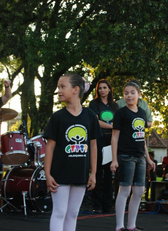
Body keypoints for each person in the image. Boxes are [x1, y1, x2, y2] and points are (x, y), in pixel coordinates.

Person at [43, 73, 101, 231]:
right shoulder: (57, 117)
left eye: (63, 86)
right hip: (60, 174)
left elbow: (94, 146)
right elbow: (50, 147)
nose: (59, 90)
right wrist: (47, 174)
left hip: (80, 173)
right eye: (58, 87)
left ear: (76, 89)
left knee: (73, 213)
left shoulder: (90, 116)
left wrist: (93, 173)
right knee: (60, 212)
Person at [110, 81, 155, 231]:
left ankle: (131, 226)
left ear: (139, 95)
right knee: (124, 190)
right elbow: (115, 137)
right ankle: (119, 226)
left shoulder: (142, 113)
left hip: (140, 157)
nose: (129, 95)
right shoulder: (120, 113)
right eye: (126, 93)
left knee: (138, 192)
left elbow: (141, 138)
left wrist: (148, 158)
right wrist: (114, 159)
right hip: (125, 156)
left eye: (132, 92)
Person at [89, 79, 118, 213]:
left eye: (104, 87)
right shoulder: (94, 104)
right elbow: (96, 121)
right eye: (100, 88)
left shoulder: (114, 106)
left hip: (111, 141)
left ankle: (108, 205)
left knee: (108, 174)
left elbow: (119, 122)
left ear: (109, 89)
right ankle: (97, 205)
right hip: (99, 139)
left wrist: (115, 129)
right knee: (98, 172)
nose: (102, 90)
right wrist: (112, 126)